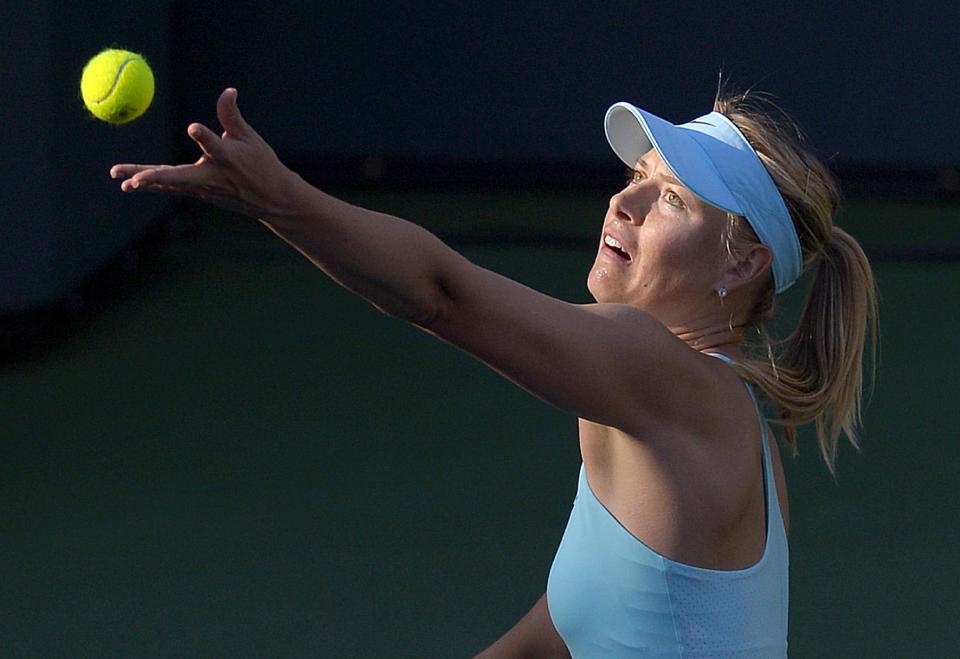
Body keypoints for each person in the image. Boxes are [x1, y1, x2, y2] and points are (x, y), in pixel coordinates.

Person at [111, 87, 877, 657]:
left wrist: (279, 199)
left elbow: (442, 295)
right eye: (637, 173)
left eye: (670, 196)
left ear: (743, 261)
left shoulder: (661, 374)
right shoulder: (702, 409)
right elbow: (589, 613)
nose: (625, 200)